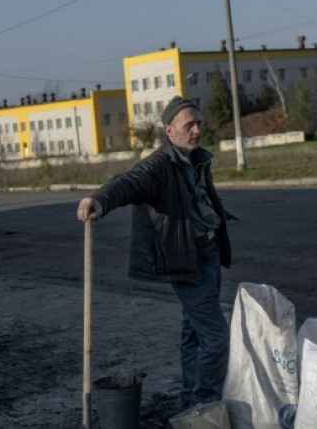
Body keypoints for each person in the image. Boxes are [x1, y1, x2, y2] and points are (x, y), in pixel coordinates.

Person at [76, 96, 232, 408]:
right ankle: (204, 403)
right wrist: (100, 200)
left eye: (198, 123)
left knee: (194, 332)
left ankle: (192, 401)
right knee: (216, 337)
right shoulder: (159, 165)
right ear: (170, 130)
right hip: (186, 259)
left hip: (208, 253)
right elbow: (130, 182)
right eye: (189, 125)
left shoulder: (196, 157)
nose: (197, 130)